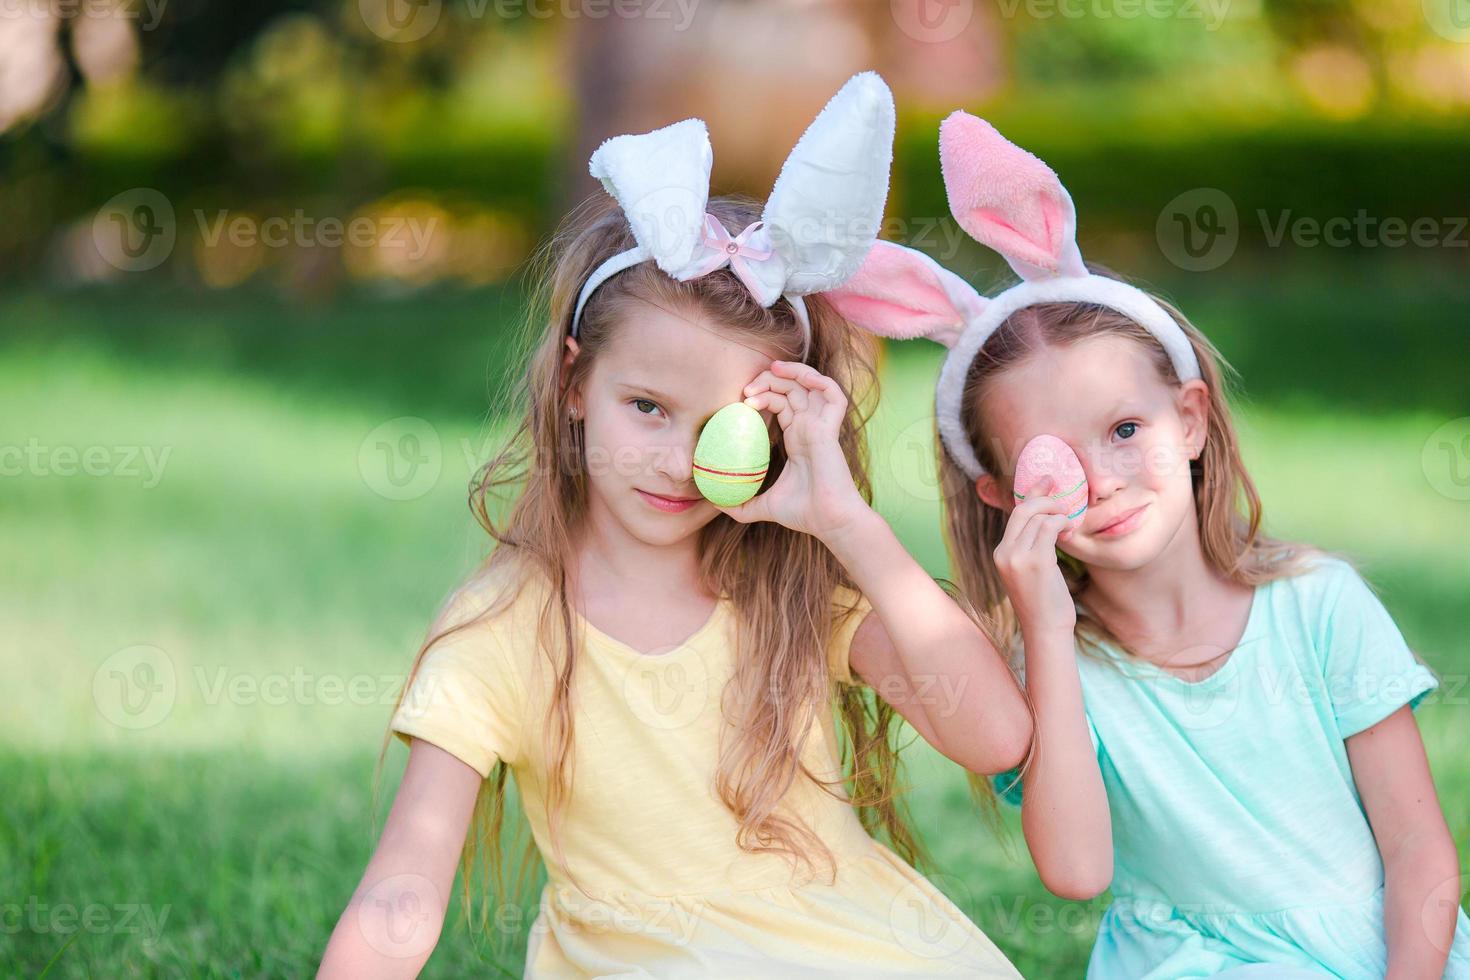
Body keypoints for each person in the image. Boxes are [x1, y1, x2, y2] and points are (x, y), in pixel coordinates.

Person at [318, 74, 1031, 978]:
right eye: (647, 407)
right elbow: (401, 893)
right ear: (575, 383)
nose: (677, 460)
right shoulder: (503, 630)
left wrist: (850, 527)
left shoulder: (797, 589)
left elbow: (995, 737)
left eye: (726, 426)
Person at [826, 109, 1470, 978]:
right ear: (1001, 495)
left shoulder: (1318, 606)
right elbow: (1077, 871)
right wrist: (1045, 628)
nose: (1103, 478)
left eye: (1125, 428)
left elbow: (1421, 858)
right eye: (1054, 461)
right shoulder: (1046, 667)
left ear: (1192, 418)